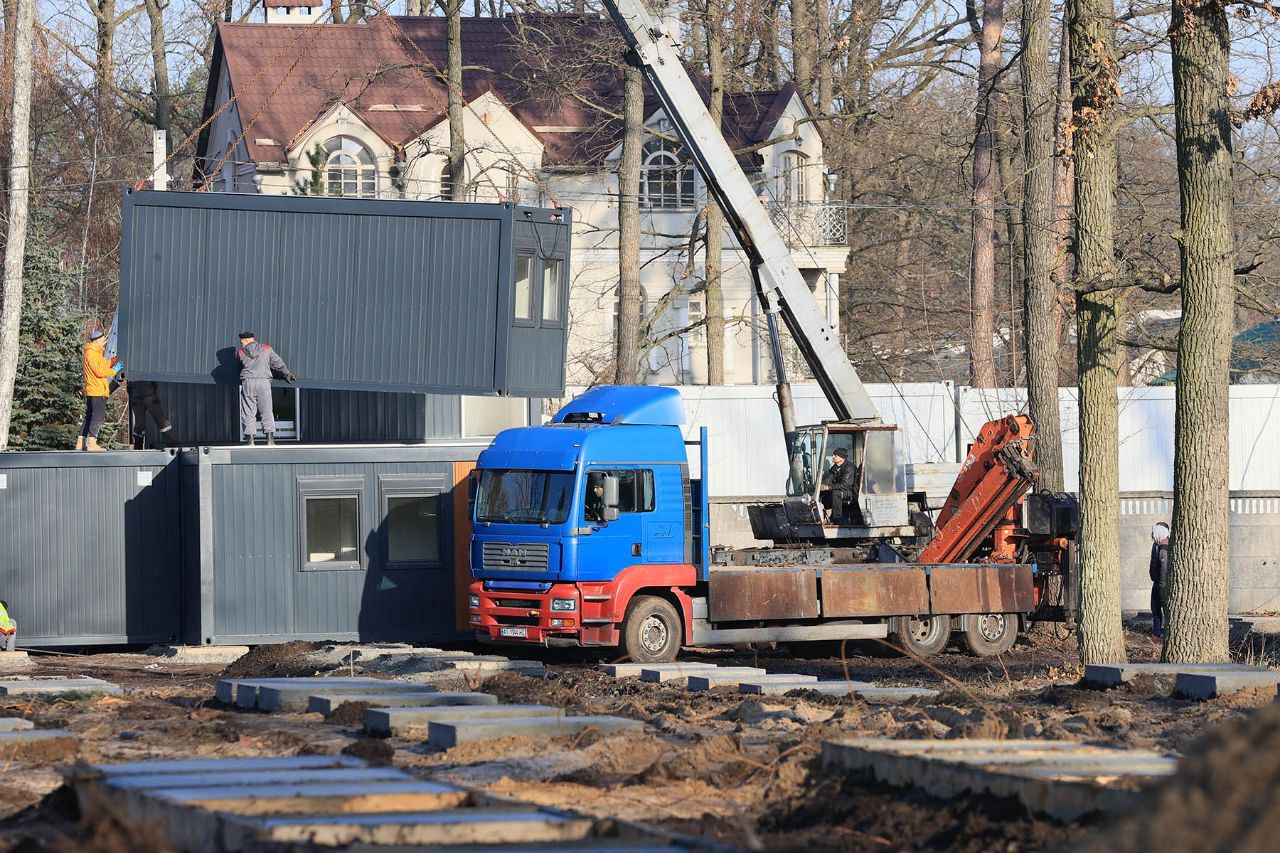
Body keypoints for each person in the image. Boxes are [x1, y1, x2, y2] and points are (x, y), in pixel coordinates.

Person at [236, 331, 295, 445]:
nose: (241, 344)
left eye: (242, 341)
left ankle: (250, 441)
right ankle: (270, 440)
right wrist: (286, 373)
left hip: (248, 382)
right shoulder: (266, 348)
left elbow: (237, 369)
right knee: (266, 410)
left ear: (247, 340)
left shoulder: (240, 352)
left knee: (248, 411)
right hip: (264, 382)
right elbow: (277, 362)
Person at [78, 329, 119, 451]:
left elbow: (102, 365)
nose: (104, 342)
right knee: (98, 417)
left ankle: (80, 443)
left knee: (90, 416)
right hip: (97, 390)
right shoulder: (92, 353)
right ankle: (91, 443)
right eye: (102, 340)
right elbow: (100, 371)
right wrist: (115, 370)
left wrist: (113, 361)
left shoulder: (94, 352)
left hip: (93, 389)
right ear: (96, 341)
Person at [127, 380, 178, 450]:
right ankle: (138, 449)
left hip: (145, 393)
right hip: (137, 394)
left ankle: (173, 446)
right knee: (140, 424)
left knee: (160, 421)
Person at [820, 446, 857, 523]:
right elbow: (828, 479)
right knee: (822, 493)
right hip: (841, 489)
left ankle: (838, 519)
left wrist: (828, 487)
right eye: (834, 455)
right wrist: (820, 486)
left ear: (842, 458)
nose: (833, 457)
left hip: (851, 492)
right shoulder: (835, 467)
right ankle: (824, 516)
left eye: (835, 455)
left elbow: (845, 485)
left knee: (836, 493)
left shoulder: (849, 468)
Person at [1150, 521, 1170, 639]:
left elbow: (1164, 570)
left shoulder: (1164, 549)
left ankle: (1167, 633)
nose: (1151, 536)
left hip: (1163, 586)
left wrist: (1161, 587)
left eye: (1153, 533)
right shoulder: (1156, 545)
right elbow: (1152, 563)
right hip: (1156, 583)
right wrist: (1152, 576)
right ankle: (1156, 633)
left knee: (1165, 609)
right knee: (1154, 608)